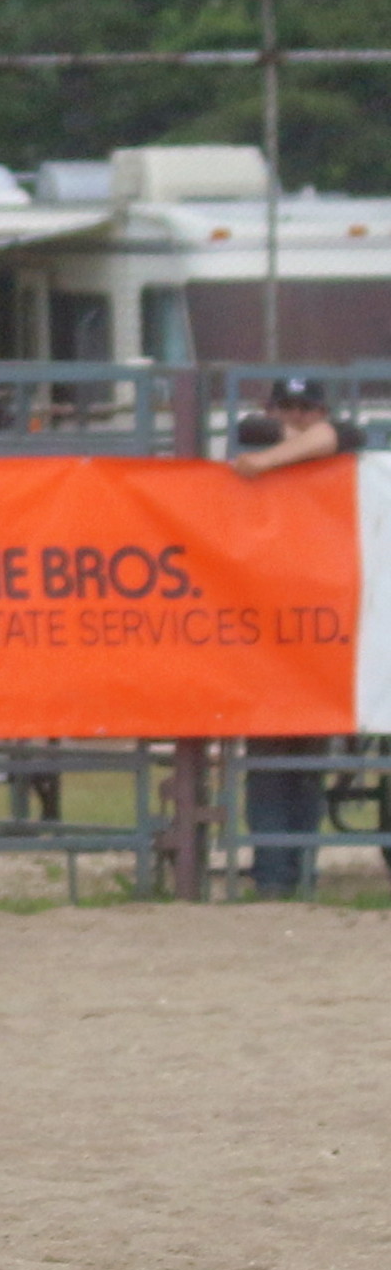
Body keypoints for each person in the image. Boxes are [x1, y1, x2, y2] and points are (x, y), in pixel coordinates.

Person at [228, 377, 370, 895]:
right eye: (287, 407)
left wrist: (267, 463)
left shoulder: (313, 440)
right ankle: (275, 876)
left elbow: (338, 435)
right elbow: (256, 428)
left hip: (318, 629)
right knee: (270, 764)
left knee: (304, 763)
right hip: (264, 628)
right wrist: (286, 440)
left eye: (306, 407)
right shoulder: (254, 430)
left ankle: (296, 873)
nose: (298, 416)